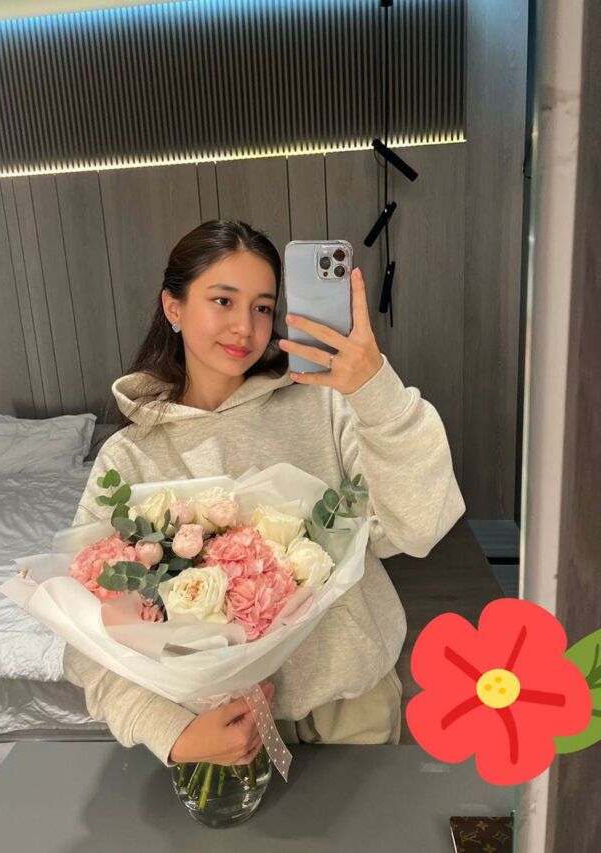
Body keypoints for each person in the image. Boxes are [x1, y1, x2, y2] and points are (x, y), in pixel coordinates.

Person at [64, 219, 466, 769]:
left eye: (262, 307)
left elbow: (419, 529)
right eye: (223, 300)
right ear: (173, 307)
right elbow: (87, 630)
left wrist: (376, 391)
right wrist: (172, 733)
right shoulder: (130, 457)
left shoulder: (325, 406)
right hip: (218, 730)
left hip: (351, 707)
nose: (245, 327)